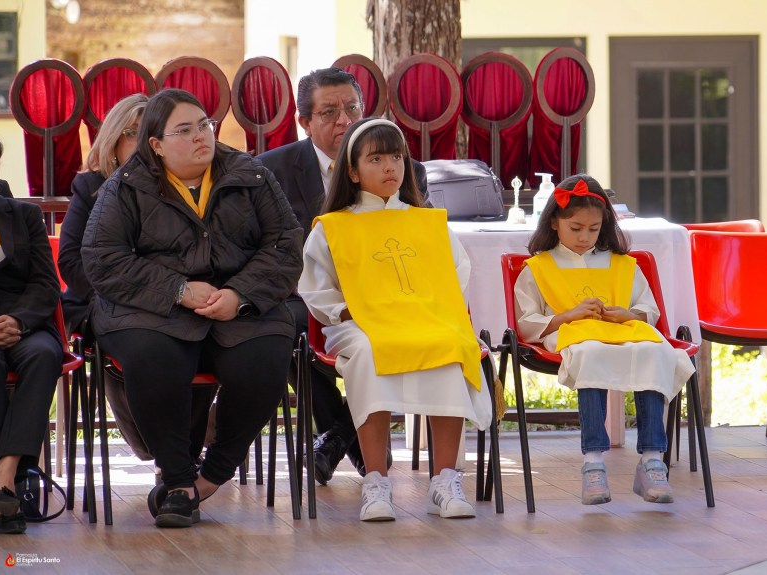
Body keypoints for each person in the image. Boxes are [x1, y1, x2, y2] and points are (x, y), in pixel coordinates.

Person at [81, 88, 303, 528]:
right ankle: (179, 482)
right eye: (185, 130)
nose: (201, 136)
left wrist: (239, 294)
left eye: (205, 124)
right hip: (152, 310)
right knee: (152, 357)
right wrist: (179, 290)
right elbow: (103, 258)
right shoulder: (124, 186)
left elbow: (284, 244)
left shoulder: (251, 175)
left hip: (237, 306)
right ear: (156, 145)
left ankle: (212, 476)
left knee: (265, 358)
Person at [299, 118, 492, 521]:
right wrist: (353, 311)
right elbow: (318, 289)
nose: (390, 167)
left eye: (396, 157)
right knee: (371, 351)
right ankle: (376, 481)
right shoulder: (334, 227)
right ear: (352, 171)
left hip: (422, 319)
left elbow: (454, 275)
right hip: (360, 326)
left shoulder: (429, 223)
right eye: (376, 158)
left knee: (449, 344)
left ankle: (445, 480)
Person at [259, 67, 427, 484]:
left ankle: (337, 436)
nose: (345, 121)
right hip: (306, 294)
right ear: (305, 122)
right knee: (281, 328)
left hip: (388, 298)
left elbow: (419, 244)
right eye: (329, 112)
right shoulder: (269, 171)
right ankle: (352, 434)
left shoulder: (404, 169)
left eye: (352, 108)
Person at [513, 174, 695, 505]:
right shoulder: (538, 267)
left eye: (594, 229)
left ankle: (652, 458)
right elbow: (526, 324)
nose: (585, 237)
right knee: (590, 352)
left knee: (654, 352)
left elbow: (648, 311)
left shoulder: (623, 264)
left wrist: (629, 315)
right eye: (576, 228)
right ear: (555, 222)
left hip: (623, 332)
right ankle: (593, 461)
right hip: (575, 336)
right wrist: (568, 315)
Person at [59, 93, 215, 466]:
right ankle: (164, 450)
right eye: (133, 133)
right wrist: (124, 293)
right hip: (105, 301)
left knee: (196, 334)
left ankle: (182, 454)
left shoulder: (181, 186)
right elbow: (71, 260)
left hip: (177, 301)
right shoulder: (91, 187)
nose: (142, 143)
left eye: (148, 133)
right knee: (136, 341)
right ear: (113, 142)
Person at [0, 195, 63, 534]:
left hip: (25, 321)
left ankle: (7, 474)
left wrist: (18, 320)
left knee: (43, 355)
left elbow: (45, 282)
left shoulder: (24, 214)